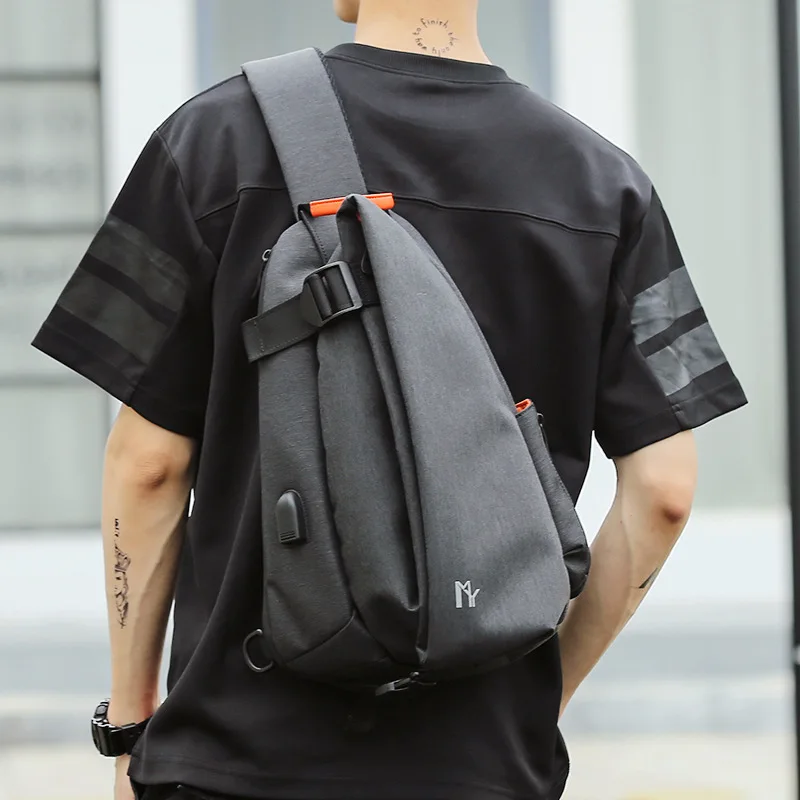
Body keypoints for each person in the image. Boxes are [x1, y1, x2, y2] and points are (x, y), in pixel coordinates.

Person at [32, 0, 747, 798]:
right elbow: (664, 490)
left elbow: (150, 466)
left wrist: (130, 726)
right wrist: (537, 702)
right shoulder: (607, 187)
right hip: (483, 764)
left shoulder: (215, 140)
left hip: (238, 754)